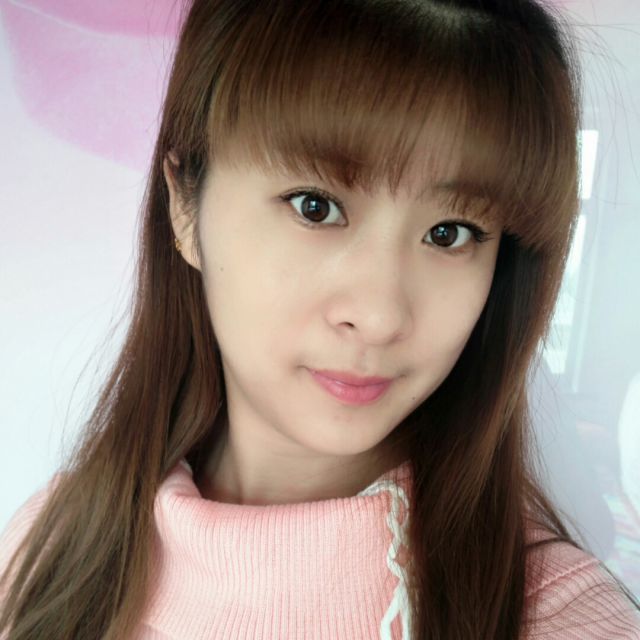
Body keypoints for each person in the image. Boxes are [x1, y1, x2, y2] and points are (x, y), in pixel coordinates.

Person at [1, 0, 639, 638]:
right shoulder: (48, 547)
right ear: (185, 207)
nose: (379, 316)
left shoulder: (560, 618)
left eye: (449, 233)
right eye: (315, 207)